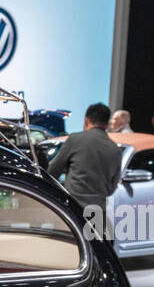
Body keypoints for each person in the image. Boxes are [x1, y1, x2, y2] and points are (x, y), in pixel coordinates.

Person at [46, 102, 121, 240]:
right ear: (107, 124)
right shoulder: (115, 149)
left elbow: (53, 170)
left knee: (66, 251)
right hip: (98, 213)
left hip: (72, 210)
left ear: (86, 120)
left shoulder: (75, 139)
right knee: (94, 255)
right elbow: (112, 187)